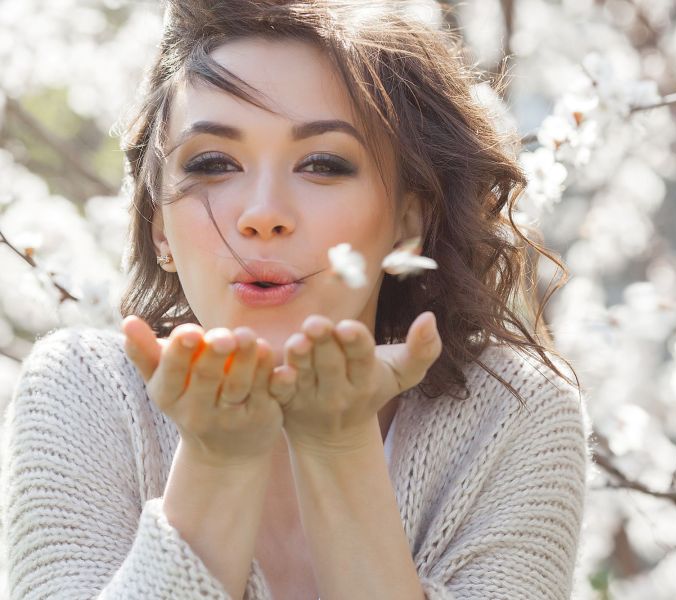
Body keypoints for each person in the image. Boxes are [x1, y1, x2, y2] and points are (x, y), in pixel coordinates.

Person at [0, 1, 590, 598]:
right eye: (213, 163)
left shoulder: (514, 415)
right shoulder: (85, 392)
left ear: (408, 223)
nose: (263, 215)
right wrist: (216, 461)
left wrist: (339, 444)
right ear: (159, 227)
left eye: (322, 164)